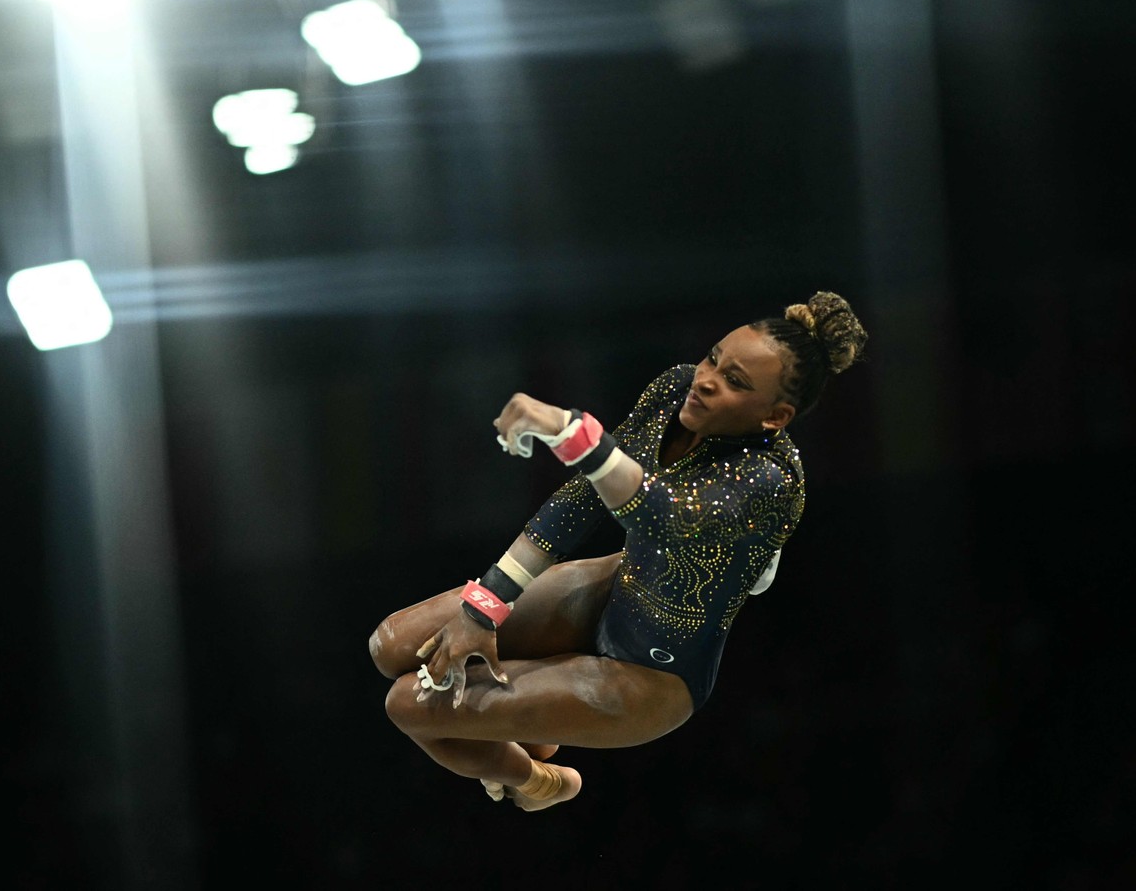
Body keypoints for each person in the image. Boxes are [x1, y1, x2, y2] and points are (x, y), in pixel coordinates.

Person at [368, 291, 868, 811]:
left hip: (647, 679)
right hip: (615, 586)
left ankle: (535, 779)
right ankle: (531, 716)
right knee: (390, 646)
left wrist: (573, 433)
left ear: (775, 417)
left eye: (735, 382)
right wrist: (485, 607)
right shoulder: (676, 389)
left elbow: (663, 517)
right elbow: (586, 497)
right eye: (713, 357)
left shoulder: (771, 480)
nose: (706, 378)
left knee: (408, 705)